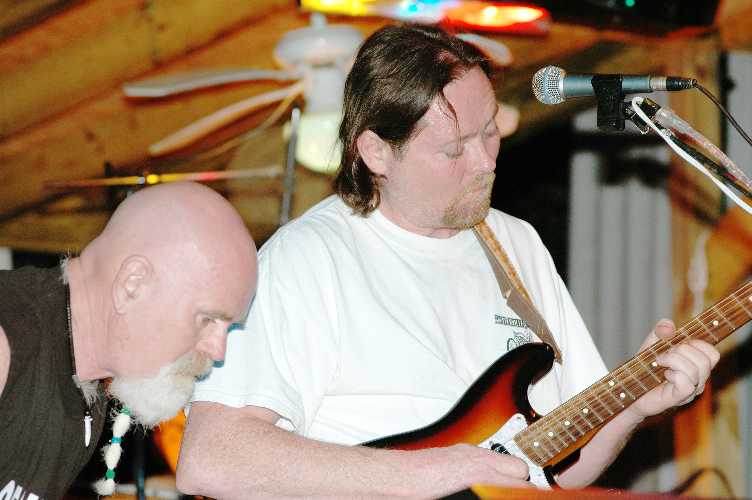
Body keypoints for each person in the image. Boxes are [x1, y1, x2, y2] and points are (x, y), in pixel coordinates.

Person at [177, 25, 719, 498]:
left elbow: (558, 472)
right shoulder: (307, 258)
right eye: (455, 149)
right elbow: (213, 458)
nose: (485, 162)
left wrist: (634, 406)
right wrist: (435, 472)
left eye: (491, 132)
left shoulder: (517, 244)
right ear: (376, 152)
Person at [0, 182, 258, 499]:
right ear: (132, 285)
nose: (218, 351)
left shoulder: (86, 391)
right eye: (207, 319)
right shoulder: (9, 338)